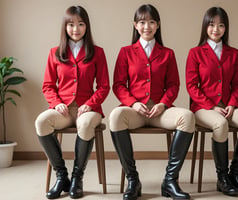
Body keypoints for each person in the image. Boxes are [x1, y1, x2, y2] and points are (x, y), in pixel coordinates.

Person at [109, 4, 195, 200]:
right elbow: (119, 85)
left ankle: (170, 181)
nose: (146, 26)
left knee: (187, 117)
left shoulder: (168, 53)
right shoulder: (126, 52)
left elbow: (173, 85)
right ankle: (133, 180)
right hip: (135, 112)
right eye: (142, 22)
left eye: (151, 22)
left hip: (160, 112)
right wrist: (132, 103)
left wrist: (163, 104)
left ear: (157, 25)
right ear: (135, 25)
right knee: (115, 116)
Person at [35, 6, 110, 199]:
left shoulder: (98, 53)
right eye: (71, 24)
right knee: (41, 122)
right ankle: (62, 177)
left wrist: (90, 104)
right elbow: (48, 85)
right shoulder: (55, 53)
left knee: (85, 124)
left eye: (80, 24)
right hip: (64, 109)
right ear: (65, 27)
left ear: (87, 26)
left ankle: (78, 177)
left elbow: (103, 86)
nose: (76, 29)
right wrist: (56, 102)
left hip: (89, 108)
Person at [186, 7, 238, 196]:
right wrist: (211, 106)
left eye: (220, 25)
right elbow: (192, 86)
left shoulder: (234, 54)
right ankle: (222, 177)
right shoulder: (195, 53)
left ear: (225, 28)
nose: (215, 29)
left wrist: (232, 104)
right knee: (219, 124)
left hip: (228, 105)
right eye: (211, 25)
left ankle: (235, 174)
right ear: (205, 27)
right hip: (202, 107)